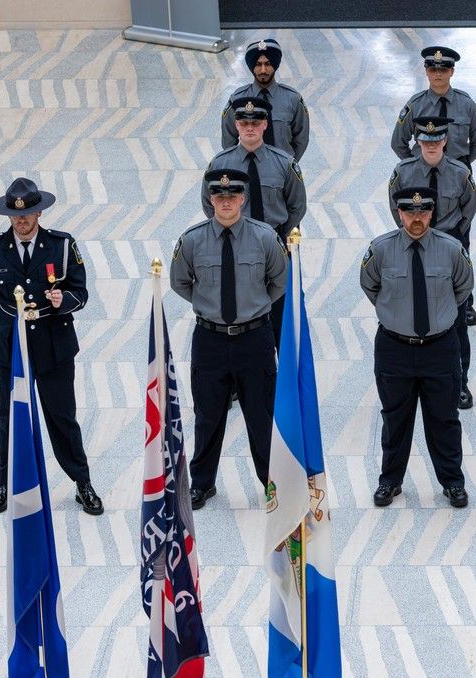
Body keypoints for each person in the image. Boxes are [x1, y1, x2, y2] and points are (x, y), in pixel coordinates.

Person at [0, 178, 103, 515]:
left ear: (40, 211)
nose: (22, 220)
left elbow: (81, 291)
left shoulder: (61, 246)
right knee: (11, 417)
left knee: (62, 416)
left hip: (52, 341)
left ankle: (82, 482)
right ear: (8, 216)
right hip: (10, 346)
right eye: (16, 215)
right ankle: (5, 483)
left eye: (29, 213)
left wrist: (65, 300)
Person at [170, 169, 288, 510]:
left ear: (242, 199)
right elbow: (180, 282)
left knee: (260, 413)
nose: (225, 202)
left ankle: (271, 483)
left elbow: (278, 281)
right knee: (208, 415)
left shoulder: (265, 238)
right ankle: (202, 484)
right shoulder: (192, 240)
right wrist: (208, 305)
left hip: (254, 339)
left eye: (232, 196)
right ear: (211, 199)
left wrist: (253, 306)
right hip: (211, 339)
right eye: (219, 197)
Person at [360, 187, 474, 509]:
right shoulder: (380, 250)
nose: (417, 219)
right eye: (410, 213)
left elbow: (463, 286)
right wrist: (398, 316)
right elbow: (370, 285)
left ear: (432, 213)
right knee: (395, 419)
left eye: (423, 213)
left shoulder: (451, 250)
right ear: (399, 213)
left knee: (444, 420)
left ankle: (452, 483)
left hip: (439, 347)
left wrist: (439, 316)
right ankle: (390, 481)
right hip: (394, 348)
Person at [392, 45, 476, 328]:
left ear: (452, 71)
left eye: (443, 69)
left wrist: (461, 164)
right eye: (433, 69)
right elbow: (398, 141)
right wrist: (416, 165)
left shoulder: (466, 104)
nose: (438, 74)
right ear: (426, 71)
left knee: (460, 247)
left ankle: (464, 303)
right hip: (421, 180)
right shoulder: (416, 104)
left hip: (455, 177)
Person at [388, 116, 476, 409]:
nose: (431, 145)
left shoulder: (461, 173)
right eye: (425, 141)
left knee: (456, 320)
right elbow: (394, 205)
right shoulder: (403, 172)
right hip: (414, 245)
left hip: (449, 247)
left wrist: (454, 239)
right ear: (417, 142)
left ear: (445, 141)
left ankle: (460, 382)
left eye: (436, 140)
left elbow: (468, 209)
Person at [203, 95, 306, 349]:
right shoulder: (220, 164)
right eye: (243, 121)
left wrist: (275, 238)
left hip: (276, 249)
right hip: (235, 251)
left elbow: (297, 206)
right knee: (241, 317)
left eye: (256, 121)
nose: (250, 127)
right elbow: (209, 204)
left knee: (283, 318)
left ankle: (285, 384)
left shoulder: (284, 164)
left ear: (265, 124)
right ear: (235, 124)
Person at [221, 38, 309, 160]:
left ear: (275, 65)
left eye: (267, 64)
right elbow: (228, 138)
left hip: (282, 172)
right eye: (258, 64)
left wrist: (288, 165)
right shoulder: (238, 98)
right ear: (252, 67)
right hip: (249, 170)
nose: (263, 70)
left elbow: (301, 138)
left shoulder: (292, 98)